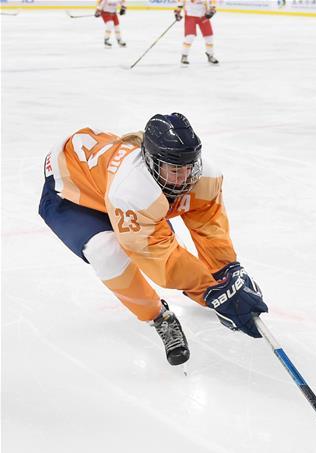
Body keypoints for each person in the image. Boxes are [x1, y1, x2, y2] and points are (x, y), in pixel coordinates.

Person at [38, 113, 268, 366]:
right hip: (73, 195)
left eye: (189, 167)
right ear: (151, 162)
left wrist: (227, 272)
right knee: (106, 251)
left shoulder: (203, 176)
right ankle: (159, 317)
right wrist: (212, 293)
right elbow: (158, 256)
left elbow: (209, 225)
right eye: (175, 170)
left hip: (111, 183)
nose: (184, 178)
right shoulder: (133, 189)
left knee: (159, 222)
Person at [175, 0, 219, 65]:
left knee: (209, 37)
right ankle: (184, 55)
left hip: (203, 16)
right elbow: (180, 4)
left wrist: (212, 11)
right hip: (190, 17)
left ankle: (210, 55)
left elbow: (212, 2)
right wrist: (177, 13)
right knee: (190, 37)